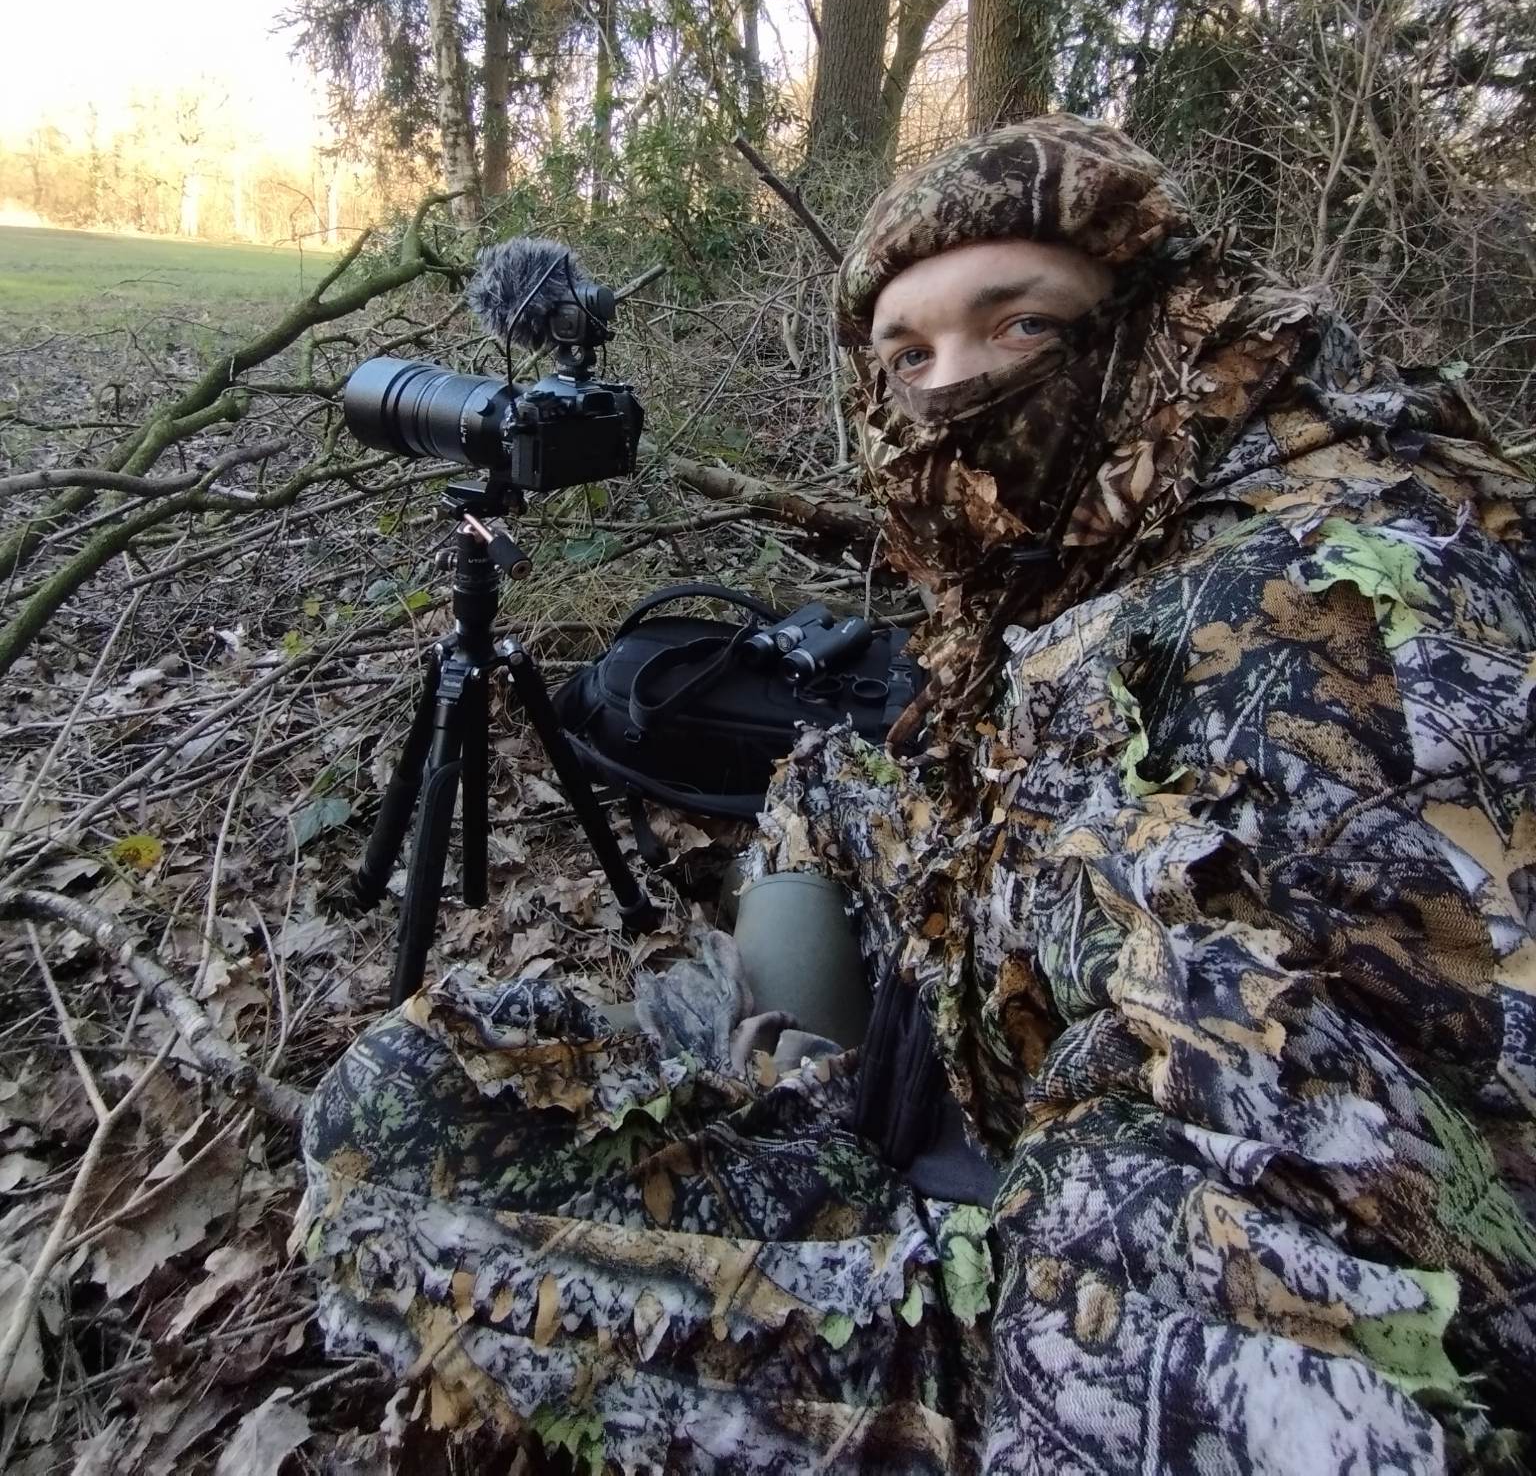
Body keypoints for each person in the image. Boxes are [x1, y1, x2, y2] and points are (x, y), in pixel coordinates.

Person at [299, 116, 1536, 1473]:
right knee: (820, 781)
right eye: (907, 356)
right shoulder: (1109, 537)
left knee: (384, 1174)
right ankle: (824, 1096)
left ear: (1160, 325)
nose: (947, 391)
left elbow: (1286, 1310)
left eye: (1019, 329)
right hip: (1013, 1112)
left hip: (1080, 1350)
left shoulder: (1317, 619)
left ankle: (844, 1153)